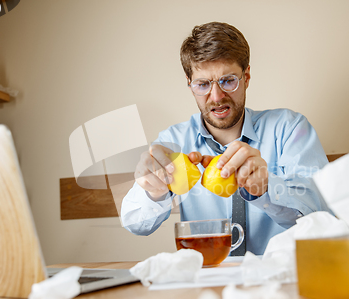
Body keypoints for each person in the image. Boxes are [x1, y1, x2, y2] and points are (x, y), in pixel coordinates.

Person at [121, 22, 330, 255]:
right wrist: (153, 191)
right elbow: (134, 223)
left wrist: (266, 189)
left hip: (277, 278)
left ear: (246, 77)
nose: (217, 96)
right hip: (206, 278)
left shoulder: (289, 129)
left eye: (228, 80)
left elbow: (321, 218)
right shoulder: (172, 142)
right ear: (190, 86)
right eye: (203, 84)